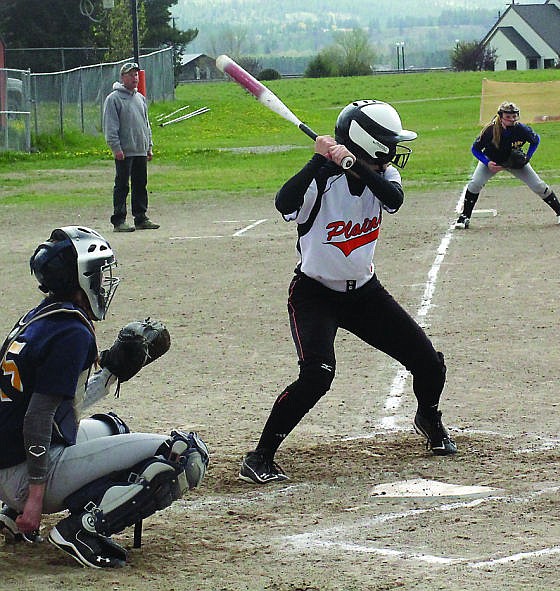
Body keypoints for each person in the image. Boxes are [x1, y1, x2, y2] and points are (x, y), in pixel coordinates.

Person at [239, 100, 457, 485]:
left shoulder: (384, 177)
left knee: (429, 363)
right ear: (367, 143)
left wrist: (354, 164)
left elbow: (394, 200)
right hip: (314, 293)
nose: (393, 153)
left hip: (364, 294)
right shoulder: (323, 180)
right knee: (317, 374)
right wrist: (320, 161)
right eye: (387, 144)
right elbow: (284, 202)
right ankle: (260, 456)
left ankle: (428, 417)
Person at [0, 226, 208, 568]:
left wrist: (110, 371)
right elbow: (36, 419)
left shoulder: (42, 316)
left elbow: (55, 403)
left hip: (9, 462)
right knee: (184, 453)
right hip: (26, 474)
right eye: (97, 273)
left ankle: (10, 511)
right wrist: (35, 499)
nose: (103, 281)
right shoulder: (71, 332)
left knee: (112, 427)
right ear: (79, 276)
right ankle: (81, 530)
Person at [455, 100, 560, 229]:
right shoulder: (490, 130)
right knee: (475, 184)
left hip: (514, 162)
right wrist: (487, 163)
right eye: (508, 116)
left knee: (538, 185)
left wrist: (528, 157)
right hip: (493, 161)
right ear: (501, 116)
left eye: (514, 116)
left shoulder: (521, 129)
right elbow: (475, 149)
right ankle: (464, 217)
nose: (512, 119)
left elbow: (535, 140)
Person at [103, 63, 160, 232]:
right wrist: (116, 148)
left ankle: (140, 217)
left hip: (140, 149)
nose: (135, 78)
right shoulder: (113, 99)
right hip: (124, 151)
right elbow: (110, 126)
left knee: (140, 184)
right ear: (123, 78)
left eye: (136, 75)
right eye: (131, 75)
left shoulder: (140, 98)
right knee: (122, 185)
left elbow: (146, 124)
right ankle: (119, 220)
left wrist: (149, 145)